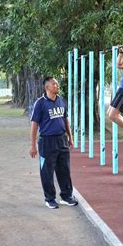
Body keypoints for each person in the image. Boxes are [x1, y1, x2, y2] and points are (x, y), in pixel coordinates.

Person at [29, 77, 77, 209]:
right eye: (53, 84)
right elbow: (34, 125)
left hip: (61, 139)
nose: (56, 85)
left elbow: (65, 120)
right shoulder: (40, 103)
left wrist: (70, 137)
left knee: (64, 169)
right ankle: (50, 198)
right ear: (47, 87)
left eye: (57, 83)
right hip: (47, 141)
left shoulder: (61, 101)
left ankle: (66, 196)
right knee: (47, 171)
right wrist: (33, 145)